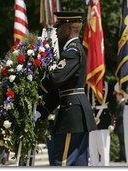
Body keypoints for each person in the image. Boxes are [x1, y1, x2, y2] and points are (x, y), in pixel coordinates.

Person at [40, 11, 96, 166]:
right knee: (78, 162)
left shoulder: (71, 52)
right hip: (75, 112)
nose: (56, 32)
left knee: (62, 162)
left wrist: (36, 83)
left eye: (59, 28)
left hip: (72, 115)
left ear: (69, 28)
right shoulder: (74, 50)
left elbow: (56, 79)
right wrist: (42, 110)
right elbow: (62, 89)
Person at [88, 81, 114, 166]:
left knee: (104, 150)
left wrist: (112, 121)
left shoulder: (107, 85)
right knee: (92, 152)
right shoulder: (88, 86)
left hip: (104, 120)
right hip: (91, 120)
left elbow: (112, 105)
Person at [113, 82, 126, 162]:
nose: (116, 97)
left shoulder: (123, 104)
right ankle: (122, 156)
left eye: (117, 95)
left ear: (121, 95)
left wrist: (116, 118)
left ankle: (124, 157)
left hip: (121, 126)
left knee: (123, 143)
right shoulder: (120, 104)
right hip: (120, 126)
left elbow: (121, 115)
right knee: (121, 143)